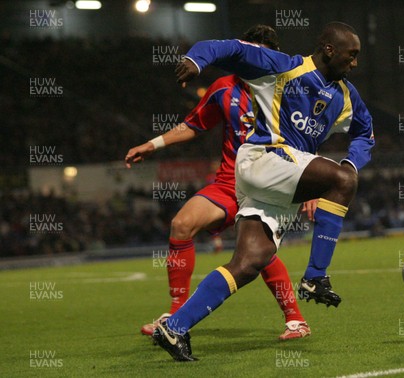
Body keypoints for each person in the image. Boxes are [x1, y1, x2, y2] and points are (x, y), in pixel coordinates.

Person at [153, 21, 374, 361]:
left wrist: (352, 160)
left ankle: (175, 328)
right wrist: (198, 59)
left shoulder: (346, 96)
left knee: (248, 262)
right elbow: (232, 48)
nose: (354, 63)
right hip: (264, 158)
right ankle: (316, 276)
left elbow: (365, 133)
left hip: (280, 186)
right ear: (330, 49)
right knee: (343, 181)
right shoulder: (286, 67)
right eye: (352, 55)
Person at [125, 25, 311, 342]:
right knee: (181, 224)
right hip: (228, 184)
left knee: (256, 253)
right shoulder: (224, 87)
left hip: (268, 186)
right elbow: (194, 125)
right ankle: (176, 314)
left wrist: (310, 186)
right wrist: (152, 145)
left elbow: (307, 137)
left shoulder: (290, 90)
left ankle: (295, 320)